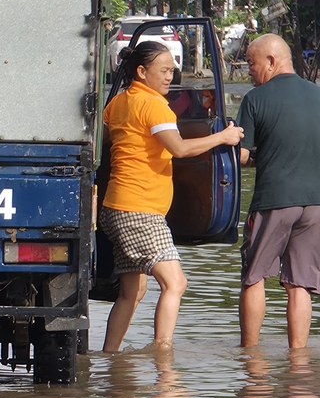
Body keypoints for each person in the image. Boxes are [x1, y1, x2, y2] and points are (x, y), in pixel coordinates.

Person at [98, 40, 244, 352]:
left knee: (132, 291)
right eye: (163, 71)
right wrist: (223, 136)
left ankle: (109, 357)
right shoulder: (153, 105)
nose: (170, 77)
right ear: (141, 71)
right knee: (175, 283)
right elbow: (178, 148)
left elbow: (107, 137)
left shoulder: (120, 102)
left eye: (172, 71)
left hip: (115, 206)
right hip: (140, 210)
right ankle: (162, 355)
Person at [236, 34, 320, 350]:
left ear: (270, 61)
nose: (249, 73)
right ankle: (298, 358)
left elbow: (241, 155)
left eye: (252, 64)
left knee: (254, 277)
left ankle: (250, 357)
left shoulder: (256, 99)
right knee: (300, 285)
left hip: (275, 199)